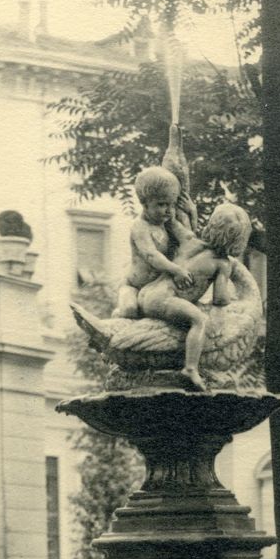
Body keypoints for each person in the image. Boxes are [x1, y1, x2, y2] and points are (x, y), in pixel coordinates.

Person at [137, 202, 253, 391]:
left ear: (213, 225)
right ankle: (190, 368)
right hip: (161, 301)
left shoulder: (190, 240)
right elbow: (220, 300)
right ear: (239, 240)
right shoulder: (223, 264)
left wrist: (191, 211)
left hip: (146, 294)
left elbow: (172, 221)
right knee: (200, 320)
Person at [113, 166, 194, 321]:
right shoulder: (140, 227)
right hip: (135, 287)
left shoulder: (169, 222)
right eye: (162, 204)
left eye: (172, 204)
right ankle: (117, 316)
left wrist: (192, 213)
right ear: (145, 204)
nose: (169, 210)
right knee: (130, 310)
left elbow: (189, 240)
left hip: (156, 288)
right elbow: (152, 255)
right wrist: (177, 270)